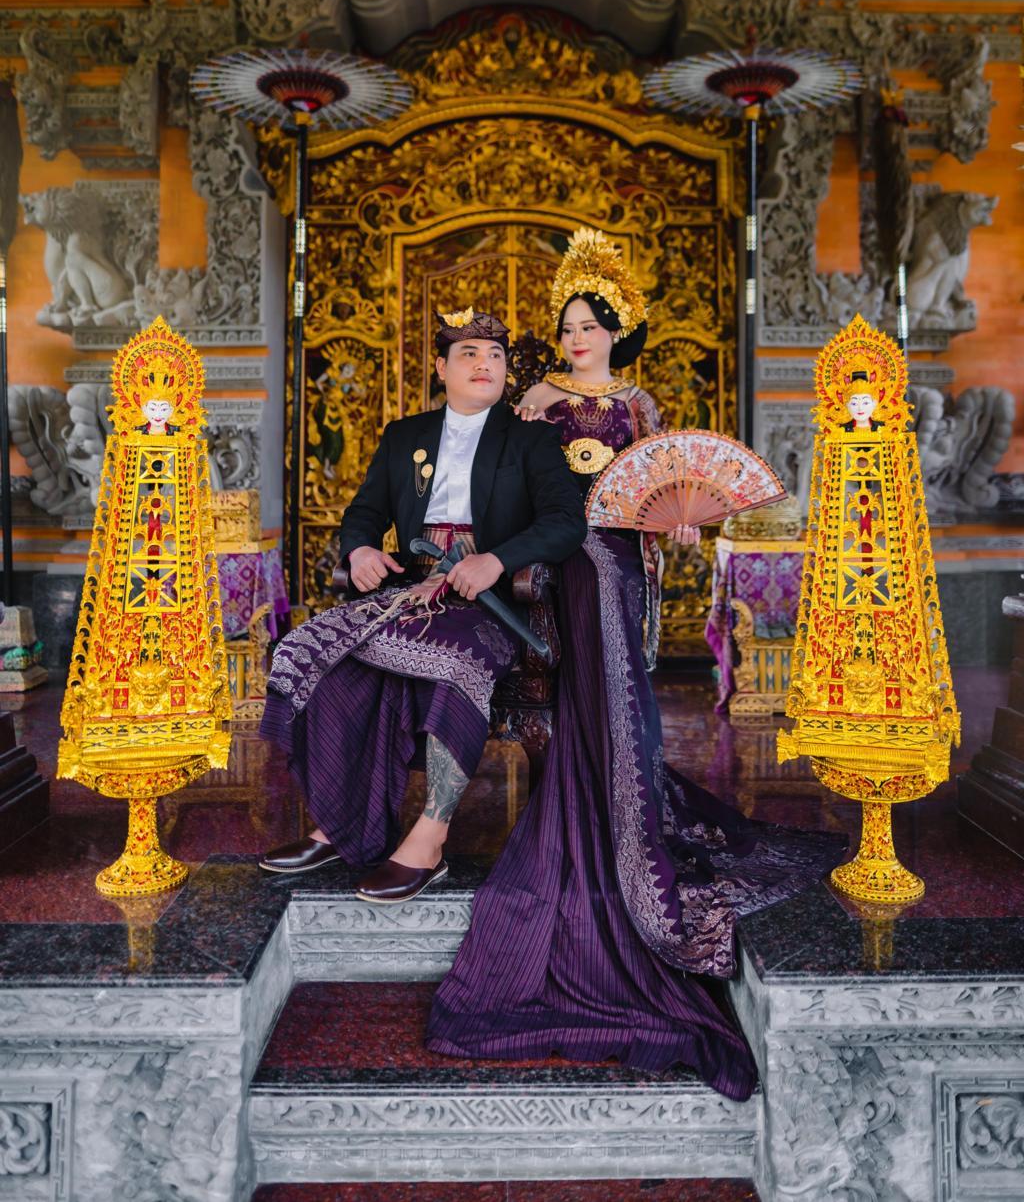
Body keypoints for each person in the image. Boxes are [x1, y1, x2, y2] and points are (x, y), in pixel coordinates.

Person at [427, 229, 845, 1101]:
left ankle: (613, 798)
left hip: (618, 562)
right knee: (577, 605)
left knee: (612, 635)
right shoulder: (536, 399)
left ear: (617, 330)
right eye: (567, 325)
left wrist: (679, 523)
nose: (576, 337)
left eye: (590, 325)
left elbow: (654, 495)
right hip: (552, 559)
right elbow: (509, 487)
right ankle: (591, 792)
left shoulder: (640, 405)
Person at [258, 308, 587, 902]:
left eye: (495, 356)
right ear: (441, 367)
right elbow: (364, 512)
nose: (485, 364)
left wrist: (497, 560)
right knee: (321, 655)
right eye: (469, 354)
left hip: (486, 601)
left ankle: (429, 838)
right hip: (409, 590)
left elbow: (566, 522)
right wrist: (360, 548)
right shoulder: (404, 435)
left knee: (453, 664)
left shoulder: (530, 437)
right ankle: (337, 823)